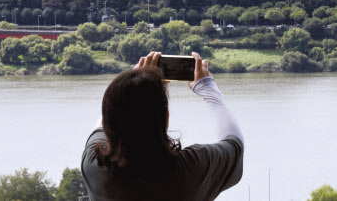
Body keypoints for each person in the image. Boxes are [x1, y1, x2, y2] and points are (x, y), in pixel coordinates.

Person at [81, 51, 244, 201]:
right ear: (166, 119)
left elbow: (107, 119)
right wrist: (207, 88)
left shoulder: (95, 167)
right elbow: (235, 142)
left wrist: (132, 81)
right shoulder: (190, 169)